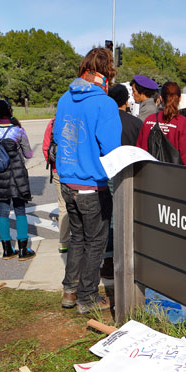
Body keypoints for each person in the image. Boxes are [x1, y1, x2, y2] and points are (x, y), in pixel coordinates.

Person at [53, 47, 122, 314]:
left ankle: (70, 290)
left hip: (68, 181)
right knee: (95, 242)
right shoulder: (104, 103)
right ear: (107, 73)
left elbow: (59, 138)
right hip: (93, 184)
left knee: (78, 239)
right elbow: (112, 146)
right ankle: (88, 297)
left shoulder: (64, 99)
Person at [0, 100, 36, 261]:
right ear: (9, 111)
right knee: (20, 210)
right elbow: (28, 154)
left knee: (3, 212)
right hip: (17, 175)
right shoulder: (17, 131)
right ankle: (23, 249)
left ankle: (7, 249)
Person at [136, 81, 186, 167]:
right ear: (179, 99)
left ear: (161, 98)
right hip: (174, 174)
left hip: (150, 172)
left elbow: (140, 150)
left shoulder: (149, 120)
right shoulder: (182, 122)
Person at [42, 117, 70, 254]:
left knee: (63, 205)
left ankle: (63, 242)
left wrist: (52, 164)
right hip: (77, 169)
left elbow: (46, 147)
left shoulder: (53, 122)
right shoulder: (77, 119)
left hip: (58, 169)